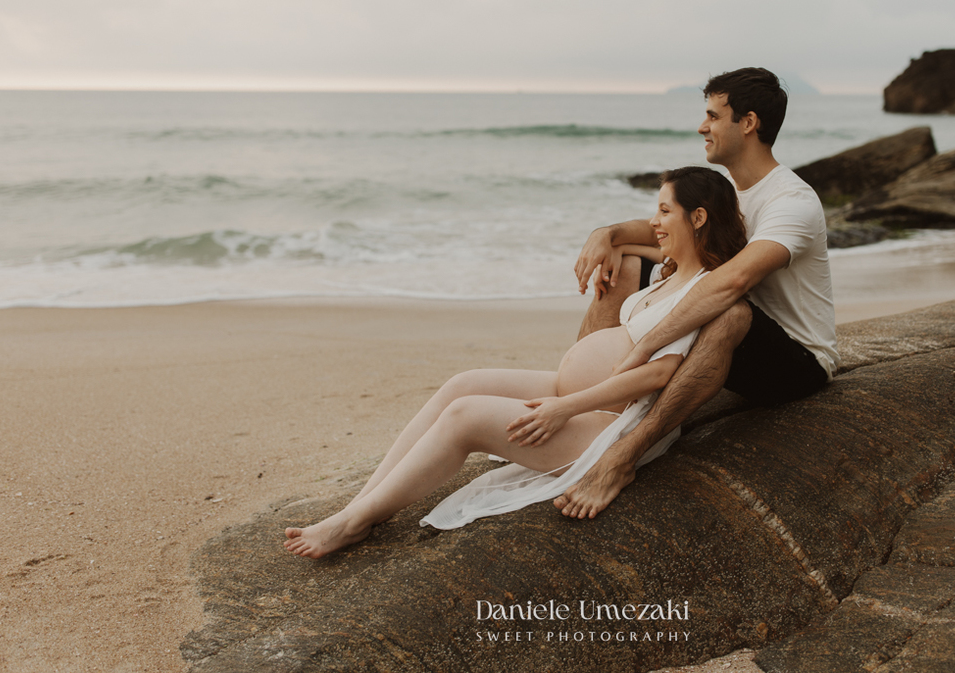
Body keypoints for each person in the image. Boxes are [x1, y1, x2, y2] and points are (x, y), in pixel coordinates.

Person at [283, 167, 746, 557]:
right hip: (580, 398)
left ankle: (354, 522)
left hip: (609, 424)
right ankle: (362, 505)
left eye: (665, 211)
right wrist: (610, 243)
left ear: (698, 217)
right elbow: (640, 249)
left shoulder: (704, 290)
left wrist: (563, 408)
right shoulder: (670, 271)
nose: (654, 221)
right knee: (463, 384)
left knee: (465, 417)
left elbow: (660, 373)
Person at [555, 67, 839, 520]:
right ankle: (586, 409)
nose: (702, 127)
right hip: (721, 330)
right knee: (626, 262)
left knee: (729, 311)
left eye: (712, 116)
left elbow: (732, 281)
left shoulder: (792, 202)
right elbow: (658, 229)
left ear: (747, 123)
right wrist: (606, 235)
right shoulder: (730, 196)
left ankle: (622, 456)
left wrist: (643, 346)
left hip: (793, 359)